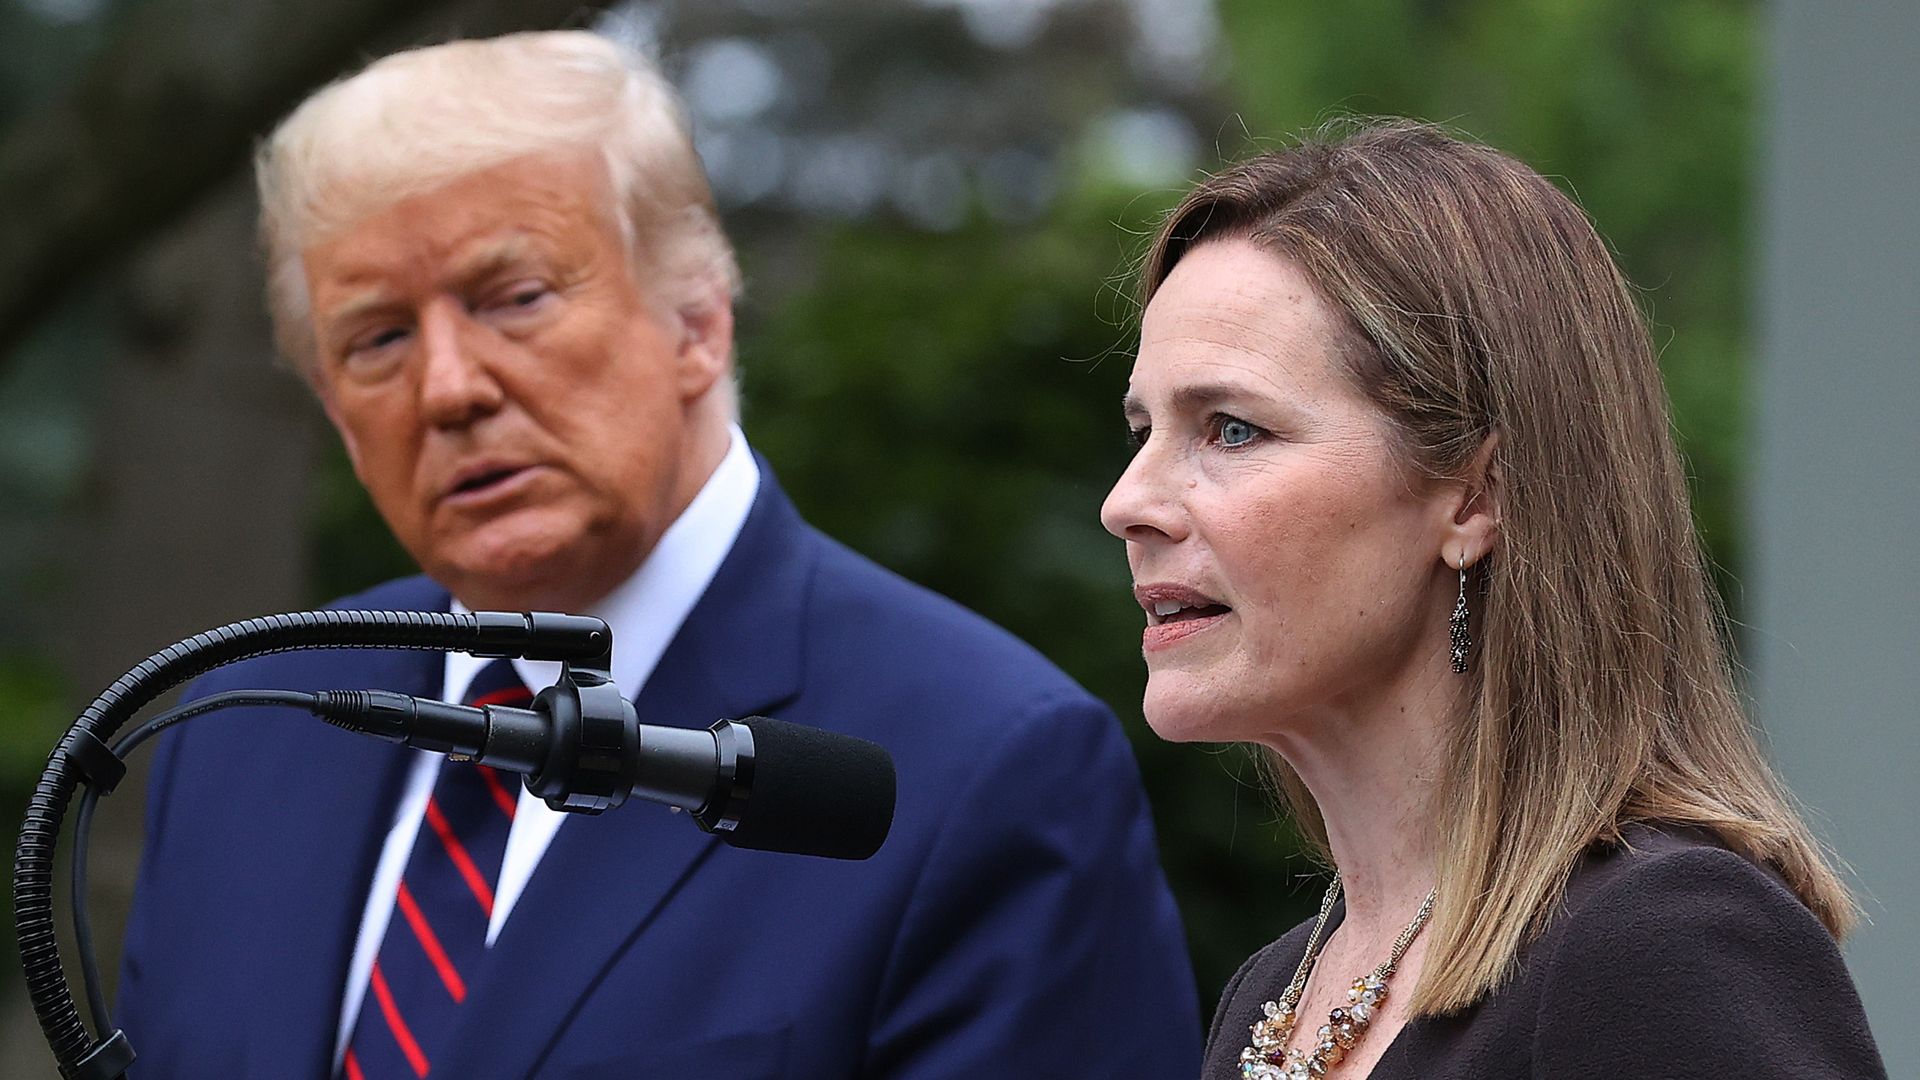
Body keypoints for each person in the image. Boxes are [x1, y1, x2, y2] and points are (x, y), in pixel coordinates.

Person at [115, 31, 1201, 1078]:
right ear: (333, 412)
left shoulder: (975, 762)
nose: (448, 388)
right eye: (378, 339)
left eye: (516, 298)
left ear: (698, 324)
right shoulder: (247, 725)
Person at [1099, 120, 1887, 1079]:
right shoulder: (1277, 994)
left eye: (1230, 429)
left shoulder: (1663, 951)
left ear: (1477, 496)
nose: (1128, 503)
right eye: (1142, 430)